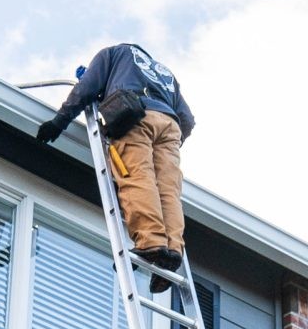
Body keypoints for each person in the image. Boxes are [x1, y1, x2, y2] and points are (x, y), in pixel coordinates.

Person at [35, 43, 195, 290]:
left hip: (134, 116)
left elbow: (86, 88)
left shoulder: (113, 54)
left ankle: (151, 242)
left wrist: (59, 122)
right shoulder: (165, 74)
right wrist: (167, 138)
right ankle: (172, 249)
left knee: (136, 176)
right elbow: (187, 119)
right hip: (170, 126)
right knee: (168, 190)